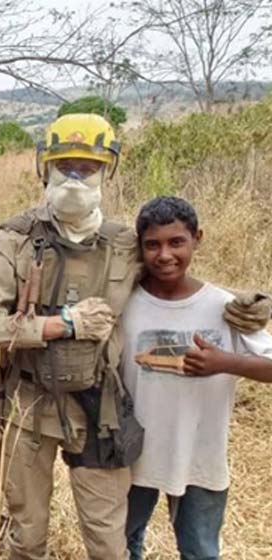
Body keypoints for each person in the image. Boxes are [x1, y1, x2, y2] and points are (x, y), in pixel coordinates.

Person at [0, 113, 268, 560]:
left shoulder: (124, 243)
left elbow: (173, 274)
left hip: (98, 411)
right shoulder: (16, 239)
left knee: (110, 542)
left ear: (108, 170)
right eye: (63, 166)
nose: (74, 179)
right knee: (27, 537)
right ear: (42, 167)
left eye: (87, 168)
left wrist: (241, 302)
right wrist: (61, 325)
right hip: (27, 408)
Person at [122, 196, 272, 560]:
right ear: (140, 248)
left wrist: (225, 362)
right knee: (122, 546)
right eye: (152, 245)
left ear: (197, 239)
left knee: (201, 550)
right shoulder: (124, 303)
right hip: (132, 457)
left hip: (199, 456)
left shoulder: (224, 307)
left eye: (177, 242)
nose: (164, 255)